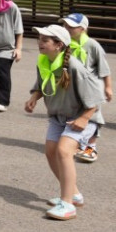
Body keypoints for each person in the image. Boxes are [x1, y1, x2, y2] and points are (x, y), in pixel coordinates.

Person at [24, 24, 104, 221]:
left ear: (59, 45)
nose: (39, 43)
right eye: (40, 38)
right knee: (51, 152)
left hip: (83, 117)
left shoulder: (75, 67)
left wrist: (84, 118)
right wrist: (34, 97)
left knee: (63, 151)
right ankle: (74, 194)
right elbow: (43, 84)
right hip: (58, 117)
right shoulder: (44, 61)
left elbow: (95, 98)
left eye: (45, 40)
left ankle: (67, 204)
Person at [60, 13, 112, 163]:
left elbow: (104, 68)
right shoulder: (64, 44)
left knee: (93, 117)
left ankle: (91, 146)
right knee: (73, 114)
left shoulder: (92, 45)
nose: (67, 28)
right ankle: (76, 142)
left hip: (91, 88)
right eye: (65, 26)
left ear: (82, 28)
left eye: (71, 27)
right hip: (72, 88)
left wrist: (108, 87)